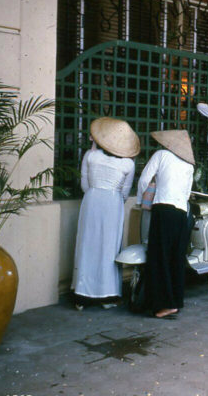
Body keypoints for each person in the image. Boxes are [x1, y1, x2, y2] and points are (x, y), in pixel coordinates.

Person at [71, 117, 140, 311]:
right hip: (113, 202)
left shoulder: (90, 156)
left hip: (92, 200)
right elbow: (125, 193)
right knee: (109, 247)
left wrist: (96, 191)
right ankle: (107, 294)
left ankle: (81, 295)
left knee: (87, 244)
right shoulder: (128, 164)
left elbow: (85, 186)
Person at [137, 130, 195, 319]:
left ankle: (165, 304)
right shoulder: (188, 165)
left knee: (159, 257)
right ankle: (176, 301)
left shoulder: (161, 155)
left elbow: (144, 179)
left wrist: (141, 201)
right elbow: (187, 193)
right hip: (180, 213)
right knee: (175, 258)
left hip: (163, 209)